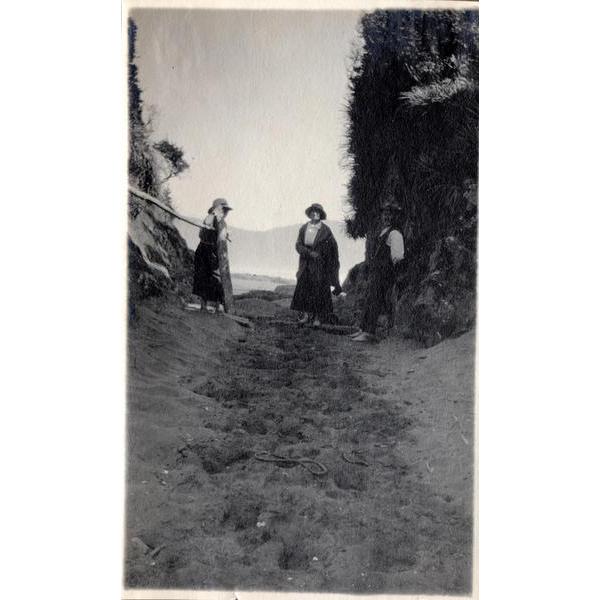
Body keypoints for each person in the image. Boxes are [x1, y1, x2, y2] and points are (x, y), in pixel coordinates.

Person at [351, 202, 405, 342]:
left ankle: (369, 332)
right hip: (377, 272)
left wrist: (391, 272)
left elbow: (398, 256)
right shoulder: (384, 231)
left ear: (395, 217)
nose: (387, 217)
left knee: (375, 300)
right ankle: (363, 329)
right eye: (385, 214)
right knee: (370, 298)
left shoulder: (395, 233)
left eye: (390, 215)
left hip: (385, 273)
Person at [290, 203, 342, 326]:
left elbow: (333, 248)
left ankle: (318, 318)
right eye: (313, 211)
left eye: (317, 212)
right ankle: (306, 316)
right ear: (310, 213)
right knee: (304, 288)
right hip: (305, 263)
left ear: (321, 215)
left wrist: (323, 257)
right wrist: (309, 253)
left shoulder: (325, 230)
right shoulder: (304, 228)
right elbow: (298, 245)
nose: (315, 214)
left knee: (319, 290)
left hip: (320, 265)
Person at [192, 198, 233, 313]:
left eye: (226, 210)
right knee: (202, 277)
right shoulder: (210, 217)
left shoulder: (222, 222)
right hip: (204, 250)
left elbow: (221, 237)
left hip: (215, 251)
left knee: (216, 278)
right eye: (223, 210)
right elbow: (204, 230)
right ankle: (203, 305)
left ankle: (218, 306)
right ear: (217, 209)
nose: (226, 213)